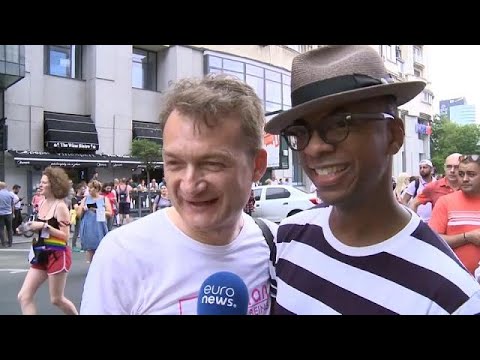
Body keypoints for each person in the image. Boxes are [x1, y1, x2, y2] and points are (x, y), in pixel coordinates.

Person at [264, 45, 480, 315]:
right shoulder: (289, 237)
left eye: (339, 124)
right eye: (300, 131)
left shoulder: (453, 297)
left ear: (393, 135)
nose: (314, 148)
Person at [80, 74, 277, 315]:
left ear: (257, 166)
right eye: (174, 163)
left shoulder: (275, 246)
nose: (190, 185)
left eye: (212, 163)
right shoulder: (122, 254)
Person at [17, 167, 78, 315]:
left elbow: (65, 236)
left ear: (54, 185)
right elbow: (40, 228)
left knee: (57, 299)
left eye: (44, 182)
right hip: (40, 253)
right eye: (41, 182)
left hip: (57, 254)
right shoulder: (42, 202)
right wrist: (27, 227)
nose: (40, 185)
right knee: (24, 296)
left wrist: (44, 226)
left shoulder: (61, 206)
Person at [429, 154, 480, 275]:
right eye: (461, 174)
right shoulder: (445, 202)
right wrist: (467, 237)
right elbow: (433, 240)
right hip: (455, 281)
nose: (465, 179)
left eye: (471, 174)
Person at [76, 180, 112, 264]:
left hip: (100, 224)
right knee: (90, 247)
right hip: (88, 224)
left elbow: (110, 213)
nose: (89, 190)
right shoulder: (85, 199)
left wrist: (96, 210)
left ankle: (101, 264)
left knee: (100, 246)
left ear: (97, 189)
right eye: (89, 188)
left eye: (91, 188)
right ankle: (91, 265)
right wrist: (82, 209)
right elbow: (78, 214)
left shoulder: (103, 199)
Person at [0, 182, 14, 248]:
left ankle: (3, 243)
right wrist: (13, 213)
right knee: (9, 229)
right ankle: (10, 243)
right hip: (9, 213)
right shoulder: (10, 194)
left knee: (1, 229)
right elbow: (12, 205)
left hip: (0, 214)